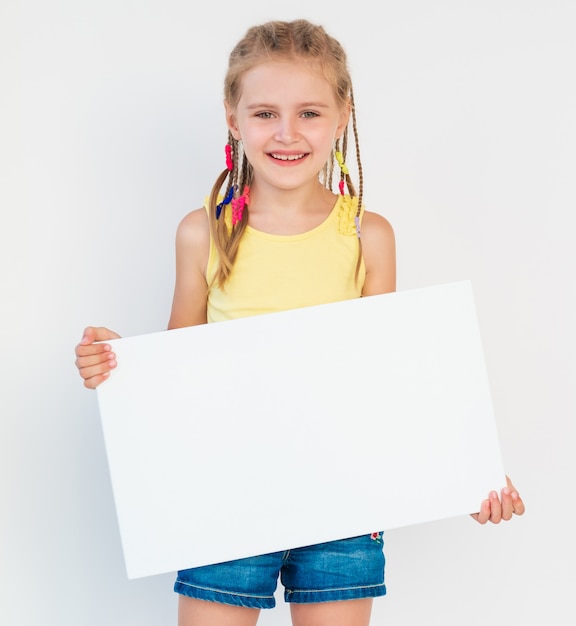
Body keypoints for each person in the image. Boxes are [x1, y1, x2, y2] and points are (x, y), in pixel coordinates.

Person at [74, 19, 525, 626]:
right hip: (224, 500)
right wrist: (117, 364)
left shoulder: (368, 235)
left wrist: (462, 472)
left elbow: (390, 376)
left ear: (342, 117)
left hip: (343, 503)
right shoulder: (201, 232)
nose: (287, 133)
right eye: (265, 114)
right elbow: (178, 368)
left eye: (309, 113)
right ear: (234, 120)